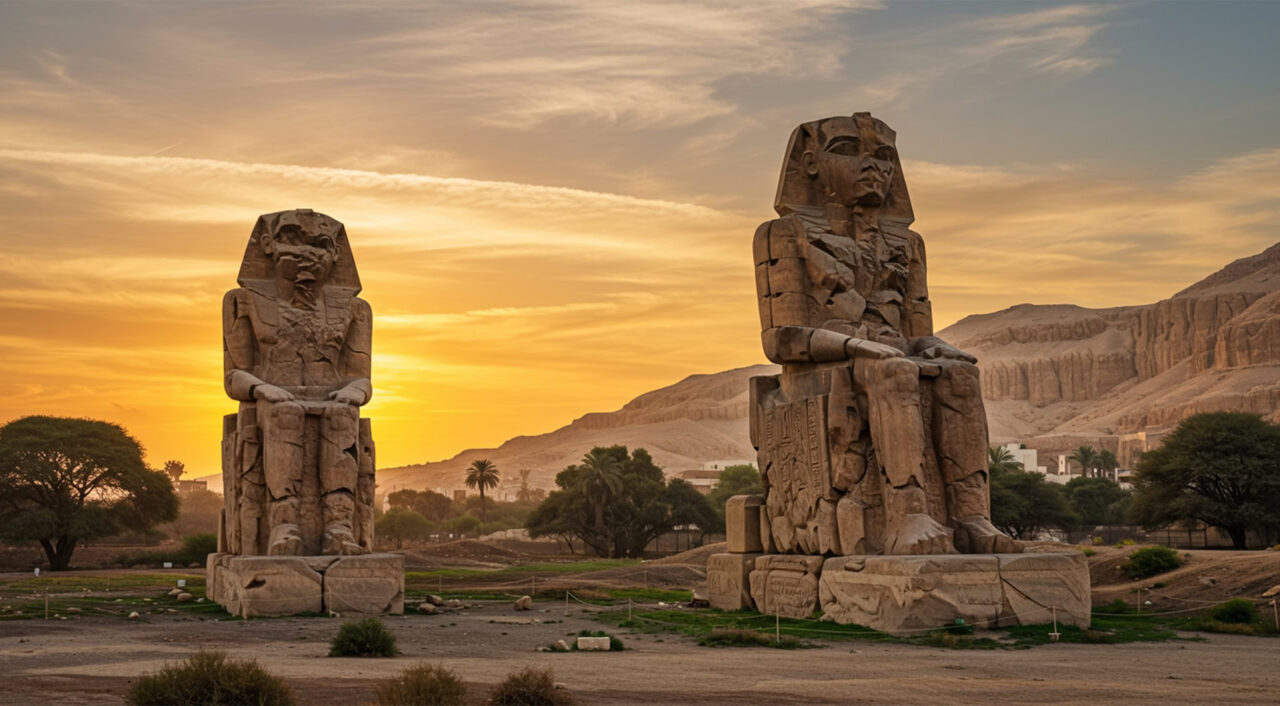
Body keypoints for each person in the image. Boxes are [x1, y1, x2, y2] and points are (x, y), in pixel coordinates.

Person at [754, 113, 1017, 555]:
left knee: (960, 375)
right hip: (819, 370)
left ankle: (972, 516)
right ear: (811, 163)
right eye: (849, 151)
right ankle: (907, 515)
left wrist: (937, 347)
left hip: (886, 357)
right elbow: (780, 338)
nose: (872, 166)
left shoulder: (908, 245)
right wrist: (856, 345)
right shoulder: (782, 234)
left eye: (883, 157)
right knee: (893, 371)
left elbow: (919, 331)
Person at [223, 209, 372, 556]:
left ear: (336, 254)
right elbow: (233, 376)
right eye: (292, 239)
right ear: (267, 245)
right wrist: (261, 388)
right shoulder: (242, 300)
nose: (307, 254)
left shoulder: (355, 309)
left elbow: (362, 378)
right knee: (284, 411)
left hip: (332, 398)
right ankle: (284, 526)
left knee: (342, 416)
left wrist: (352, 391)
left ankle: (338, 529)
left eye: (320, 245)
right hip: (270, 401)